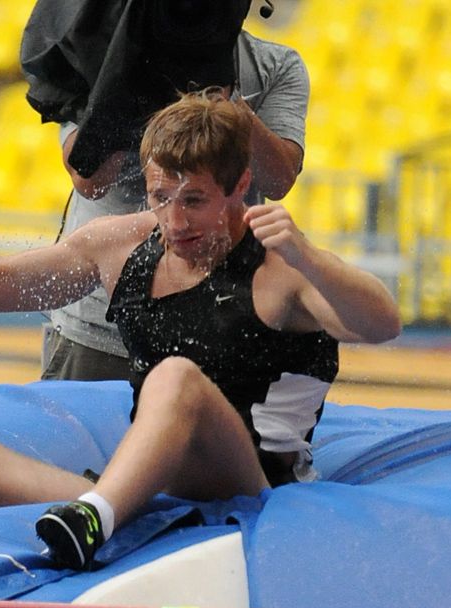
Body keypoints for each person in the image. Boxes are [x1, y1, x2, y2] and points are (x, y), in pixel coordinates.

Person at [0, 90, 400, 571]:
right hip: (145, 493)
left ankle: (97, 518)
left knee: (176, 379)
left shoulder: (280, 268)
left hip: (251, 492)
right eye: (160, 197)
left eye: (194, 200)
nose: (174, 221)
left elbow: (382, 323)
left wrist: (310, 256)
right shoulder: (121, 244)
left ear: (240, 187)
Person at [38, 16, 311, 381]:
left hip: (219, 326)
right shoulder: (97, 51)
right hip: (98, 326)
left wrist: (226, 102)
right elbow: (91, 180)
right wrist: (126, 78)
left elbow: (278, 180)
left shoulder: (274, 65)